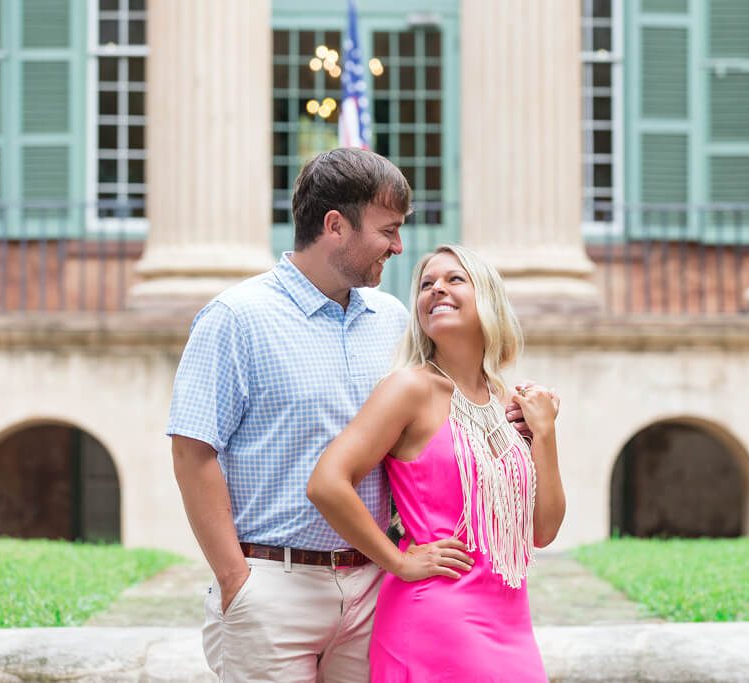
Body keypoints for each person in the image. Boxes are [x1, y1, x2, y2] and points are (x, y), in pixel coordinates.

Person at [167, 149, 535, 682]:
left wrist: (516, 421)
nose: (398, 246)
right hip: (275, 584)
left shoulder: (392, 321)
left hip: (373, 589)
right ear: (335, 226)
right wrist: (235, 580)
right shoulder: (236, 318)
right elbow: (191, 451)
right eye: (388, 229)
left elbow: (446, 402)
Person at [308, 244, 566, 682]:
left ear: (486, 296)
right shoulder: (410, 389)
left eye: (453, 279)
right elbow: (327, 482)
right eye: (426, 284)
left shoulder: (515, 404)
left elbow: (542, 531)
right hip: (433, 614)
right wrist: (399, 560)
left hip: (511, 619)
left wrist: (546, 433)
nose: (436, 290)